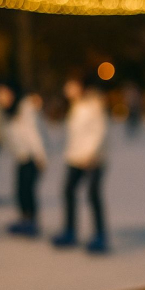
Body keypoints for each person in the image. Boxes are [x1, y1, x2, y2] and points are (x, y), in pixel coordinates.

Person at [52, 77, 110, 253]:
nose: (67, 89)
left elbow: (101, 130)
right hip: (75, 157)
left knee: (93, 195)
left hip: (93, 159)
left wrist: (91, 153)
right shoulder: (75, 106)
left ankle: (100, 235)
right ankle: (70, 231)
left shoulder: (94, 104)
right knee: (68, 191)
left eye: (71, 85)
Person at [3, 90, 48, 237]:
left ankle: (31, 221)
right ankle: (25, 219)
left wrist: (40, 156)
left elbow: (34, 133)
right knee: (20, 189)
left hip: (31, 157)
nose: (1, 97)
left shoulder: (26, 109)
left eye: (3, 93)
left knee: (27, 190)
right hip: (22, 156)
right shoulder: (11, 111)